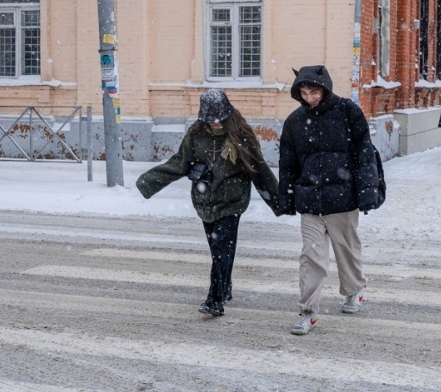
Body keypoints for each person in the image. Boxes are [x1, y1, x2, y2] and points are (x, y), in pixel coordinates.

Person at [136, 89, 279, 317]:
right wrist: (148, 182)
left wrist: (279, 201)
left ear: (226, 114)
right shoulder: (196, 132)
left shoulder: (240, 134)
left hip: (232, 201)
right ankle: (225, 288)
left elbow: (258, 169)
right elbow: (180, 162)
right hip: (204, 200)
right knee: (219, 249)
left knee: (222, 249)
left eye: (217, 119)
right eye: (209, 119)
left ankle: (215, 300)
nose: (213, 123)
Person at [278, 65, 379, 336]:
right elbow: (288, 164)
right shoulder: (295, 121)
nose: (309, 97)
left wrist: (367, 192)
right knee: (311, 257)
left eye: (314, 92)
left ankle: (353, 290)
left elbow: (364, 154)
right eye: (304, 92)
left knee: (346, 250)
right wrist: (286, 197)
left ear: (325, 89)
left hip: (342, 199)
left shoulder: (348, 112)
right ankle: (307, 312)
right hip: (310, 200)